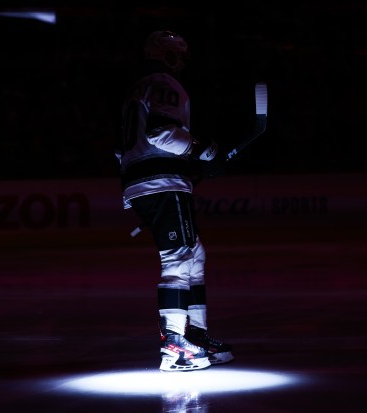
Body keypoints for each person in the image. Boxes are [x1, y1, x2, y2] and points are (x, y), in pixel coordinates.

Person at [116, 30, 233, 372]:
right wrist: (205, 151)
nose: (181, 62)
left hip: (150, 181)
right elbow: (161, 133)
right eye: (178, 55)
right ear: (167, 55)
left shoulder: (138, 87)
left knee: (193, 252)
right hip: (160, 182)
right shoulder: (163, 82)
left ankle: (193, 334)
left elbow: (130, 144)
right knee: (179, 258)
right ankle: (175, 346)